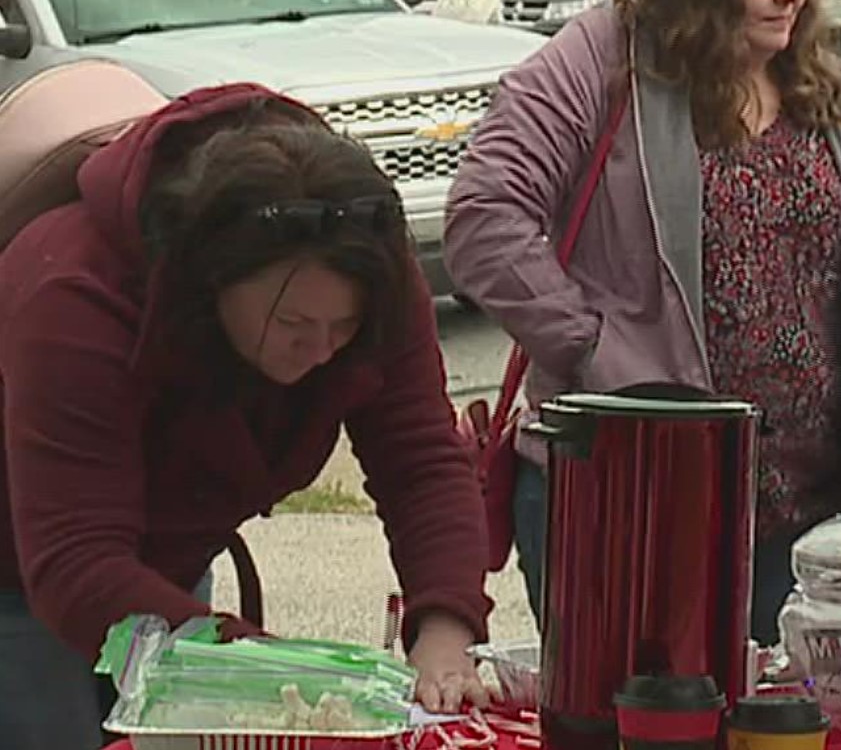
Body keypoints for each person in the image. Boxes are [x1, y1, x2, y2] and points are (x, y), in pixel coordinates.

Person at [445, 0, 841, 646]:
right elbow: (485, 215)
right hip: (631, 508)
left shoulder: (834, 93)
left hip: (814, 523)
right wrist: (595, 351)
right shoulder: (603, 63)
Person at [0, 83, 494, 749]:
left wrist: (445, 629)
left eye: (343, 326)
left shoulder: (370, 263)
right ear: (212, 281)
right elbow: (74, 564)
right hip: (22, 574)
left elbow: (423, 462)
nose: (322, 348)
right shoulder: (75, 294)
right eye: (293, 322)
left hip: (160, 562)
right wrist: (271, 673)